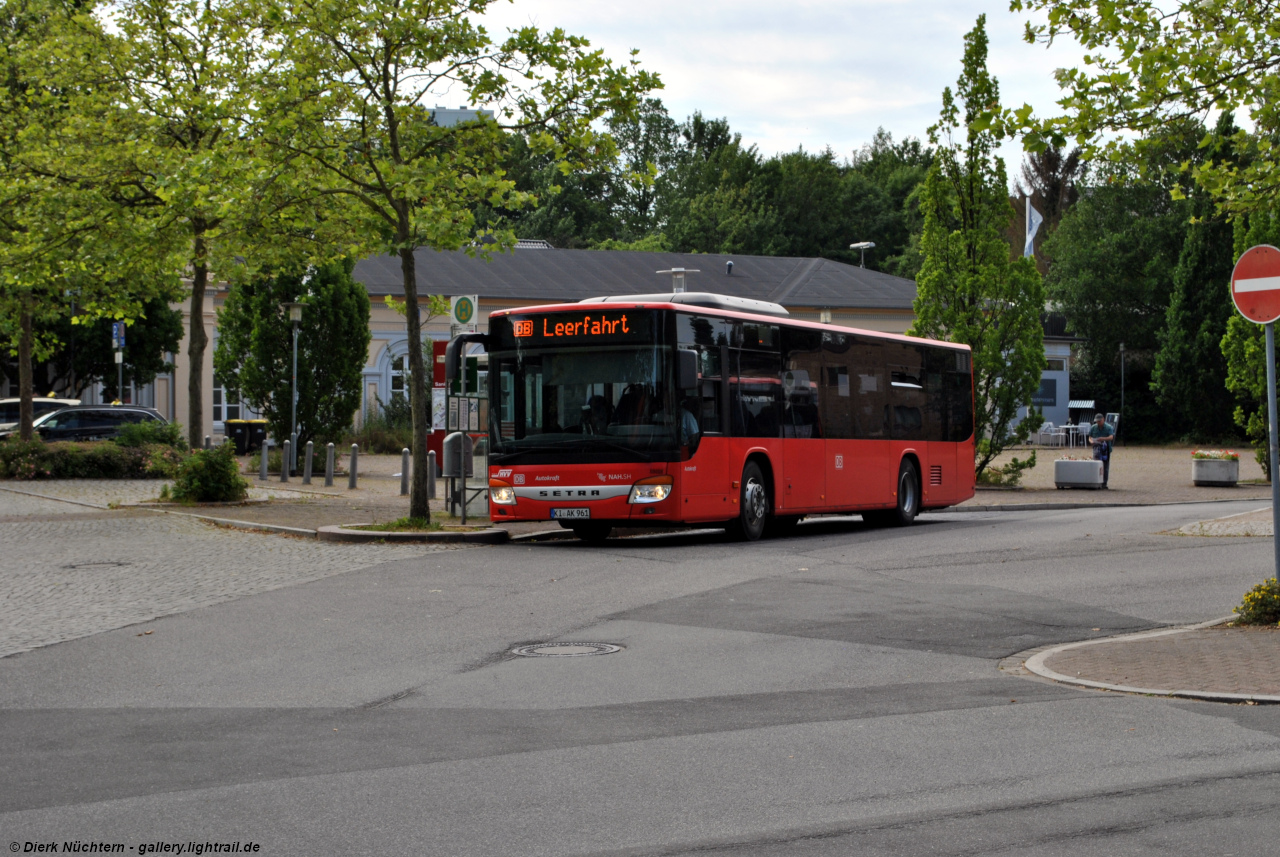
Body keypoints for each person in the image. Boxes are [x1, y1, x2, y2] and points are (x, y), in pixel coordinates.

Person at [1087, 413, 1116, 487]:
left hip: (1105, 450)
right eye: (1097, 421)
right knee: (1096, 465)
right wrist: (1091, 441)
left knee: (1105, 466)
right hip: (1096, 449)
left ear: (1103, 419)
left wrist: (1103, 439)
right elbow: (1090, 437)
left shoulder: (1109, 427)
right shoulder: (1093, 427)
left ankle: (1104, 483)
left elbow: (1111, 437)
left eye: (1099, 421)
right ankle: (1096, 481)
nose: (1098, 423)